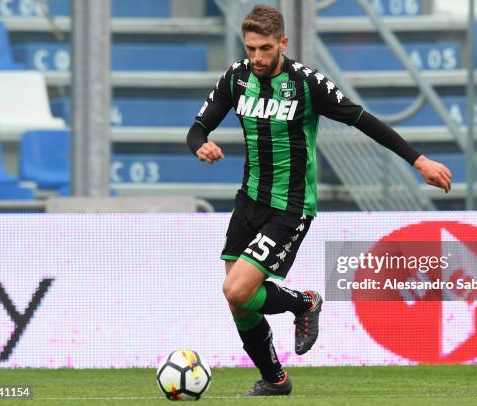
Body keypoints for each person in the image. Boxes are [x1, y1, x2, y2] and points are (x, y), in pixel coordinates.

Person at [186, 4, 452, 396]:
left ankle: (304, 302)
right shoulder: (236, 79)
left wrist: (419, 160)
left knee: (237, 290)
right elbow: (197, 128)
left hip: (290, 206)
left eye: (264, 49)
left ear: (283, 43)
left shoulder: (308, 85)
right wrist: (200, 146)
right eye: (251, 49)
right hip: (249, 201)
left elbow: (363, 120)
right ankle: (276, 379)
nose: (257, 58)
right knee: (239, 301)